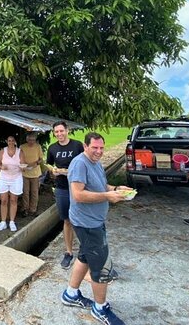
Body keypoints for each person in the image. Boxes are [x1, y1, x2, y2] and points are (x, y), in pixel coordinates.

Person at [61, 132, 131, 325]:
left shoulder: (96, 162)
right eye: (94, 148)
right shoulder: (79, 163)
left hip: (94, 221)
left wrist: (115, 189)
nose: (99, 151)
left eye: (101, 148)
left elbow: (101, 184)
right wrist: (108, 197)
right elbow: (78, 195)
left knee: (84, 256)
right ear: (85, 146)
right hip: (87, 223)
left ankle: (71, 294)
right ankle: (100, 308)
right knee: (100, 266)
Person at [46, 121, 83, 269]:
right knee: (67, 220)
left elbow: (83, 165)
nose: (59, 134)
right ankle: (68, 253)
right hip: (62, 188)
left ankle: (85, 249)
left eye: (62, 131)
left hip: (77, 187)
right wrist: (53, 171)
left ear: (67, 130)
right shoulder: (52, 148)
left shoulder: (77, 145)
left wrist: (68, 172)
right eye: (56, 132)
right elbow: (49, 165)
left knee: (80, 219)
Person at [0, 136, 26, 232]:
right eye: (9, 140)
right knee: (3, 200)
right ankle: (3, 222)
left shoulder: (20, 152)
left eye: (12, 140)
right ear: (7, 141)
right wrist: (1, 167)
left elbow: (23, 165)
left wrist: (23, 168)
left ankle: (12, 222)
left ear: (15, 142)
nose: (11, 142)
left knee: (13, 200)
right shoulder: (2, 151)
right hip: (4, 178)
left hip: (16, 178)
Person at [20, 132, 43, 217]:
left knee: (34, 192)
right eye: (30, 140)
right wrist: (23, 164)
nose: (31, 141)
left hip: (35, 173)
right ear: (27, 139)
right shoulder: (22, 147)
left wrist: (37, 163)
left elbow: (41, 159)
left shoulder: (38, 147)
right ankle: (25, 209)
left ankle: (33, 209)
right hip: (25, 172)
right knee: (25, 192)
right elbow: (19, 158)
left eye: (33, 140)